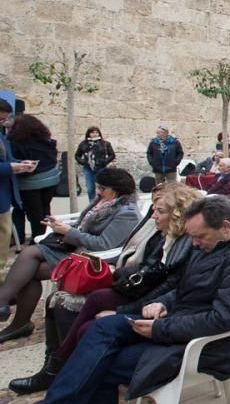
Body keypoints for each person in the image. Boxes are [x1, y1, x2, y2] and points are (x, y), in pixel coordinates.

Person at [0, 195, 230, 404]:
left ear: (226, 227)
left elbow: (221, 320)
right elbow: (182, 289)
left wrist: (159, 328)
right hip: (175, 326)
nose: (193, 243)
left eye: (199, 236)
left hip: (202, 347)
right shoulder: (211, 245)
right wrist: (162, 305)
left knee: (100, 365)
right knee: (96, 331)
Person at [9, 183, 198, 395]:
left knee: (77, 310)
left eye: (159, 209)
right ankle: (57, 365)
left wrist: (120, 307)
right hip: (134, 284)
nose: (153, 214)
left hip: (147, 299)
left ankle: (62, 369)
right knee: (59, 298)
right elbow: (149, 268)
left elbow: (168, 285)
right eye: (153, 206)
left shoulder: (184, 242)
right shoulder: (162, 233)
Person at [0, 167, 141, 343]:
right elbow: (84, 225)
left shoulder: (127, 213)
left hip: (92, 259)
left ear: (116, 190)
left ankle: (15, 318)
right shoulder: (104, 202)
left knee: (30, 269)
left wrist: (68, 232)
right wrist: (62, 226)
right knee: (31, 253)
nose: (98, 191)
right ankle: (9, 309)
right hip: (75, 251)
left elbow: (103, 244)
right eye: (98, 187)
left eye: (102, 188)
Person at [8, 114, 60, 242]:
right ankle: (45, 236)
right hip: (50, 180)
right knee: (45, 208)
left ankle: (36, 239)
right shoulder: (47, 141)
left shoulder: (16, 144)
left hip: (30, 183)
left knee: (34, 212)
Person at [0, 99, 35, 272]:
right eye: (1, 119)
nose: (4, 123)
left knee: (3, 243)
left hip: (4, 199)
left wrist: (19, 164)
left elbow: (6, 158)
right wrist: (10, 167)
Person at [73, 126, 115, 202]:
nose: (95, 134)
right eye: (92, 132)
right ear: (89, 134)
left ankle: (103, 202)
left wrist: (104, 161)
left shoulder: (105, 144)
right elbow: (77, 155)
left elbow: (112, 155)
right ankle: (92, 204)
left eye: (96, 132)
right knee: (90, 188)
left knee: (103, 187)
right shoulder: (84, 144)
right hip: (88, 168)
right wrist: (83, 162)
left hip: (101, 168)